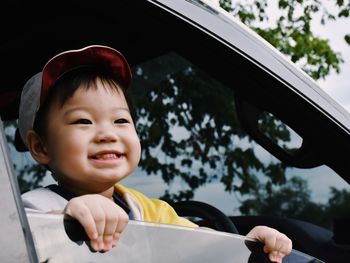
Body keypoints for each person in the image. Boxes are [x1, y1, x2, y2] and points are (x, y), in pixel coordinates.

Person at [19, 45, 292, 262]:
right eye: (83, 121)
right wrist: (67, 218)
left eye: (121, 121)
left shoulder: (149, 209)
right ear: (41, 147)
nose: (107, 134)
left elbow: (199, 242)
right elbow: (21, 244)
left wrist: (245, 243)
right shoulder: (34, 207)